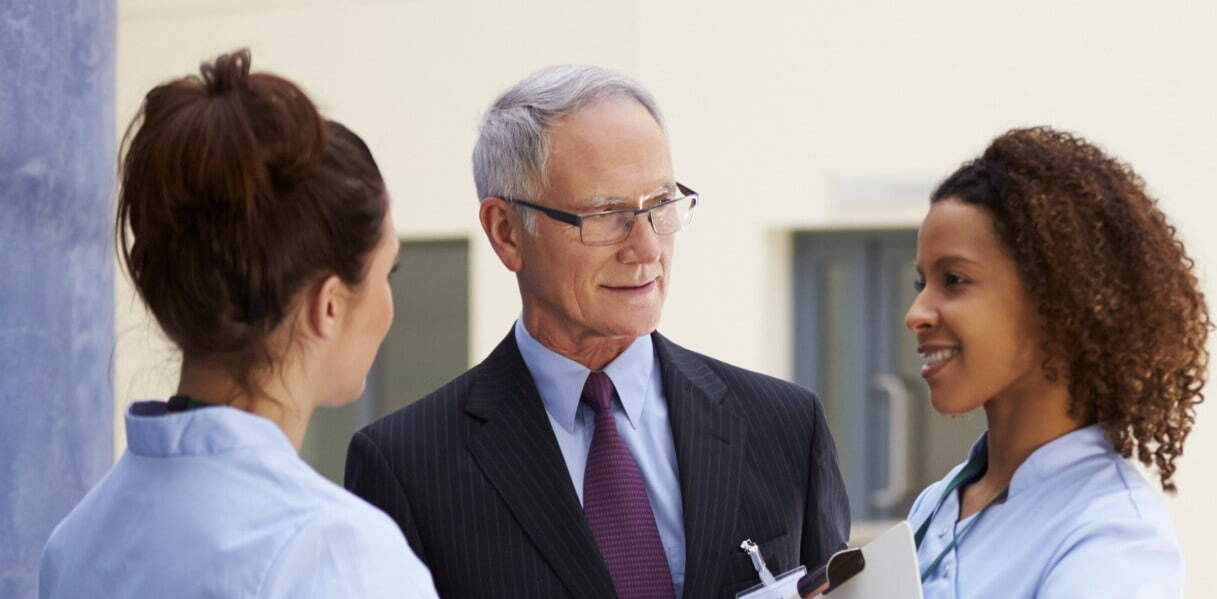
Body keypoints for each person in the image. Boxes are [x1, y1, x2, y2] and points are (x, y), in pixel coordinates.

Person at [344, 64, 850, 599]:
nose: (647, 248)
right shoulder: (406, 465)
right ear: (506, 231)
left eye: (660, 205)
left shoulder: (788, 428)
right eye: (606, 214)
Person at [38, 50, 433, 598]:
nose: (390, 304)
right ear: (331, 305)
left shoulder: (76, 541)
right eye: (387, 270)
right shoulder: (340, 557)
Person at [902, 126, 1212, 598]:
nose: (917, 314)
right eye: (921, 283)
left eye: (955, 279)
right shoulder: (936, 507)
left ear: (1057, 300)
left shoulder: (1113, 535)